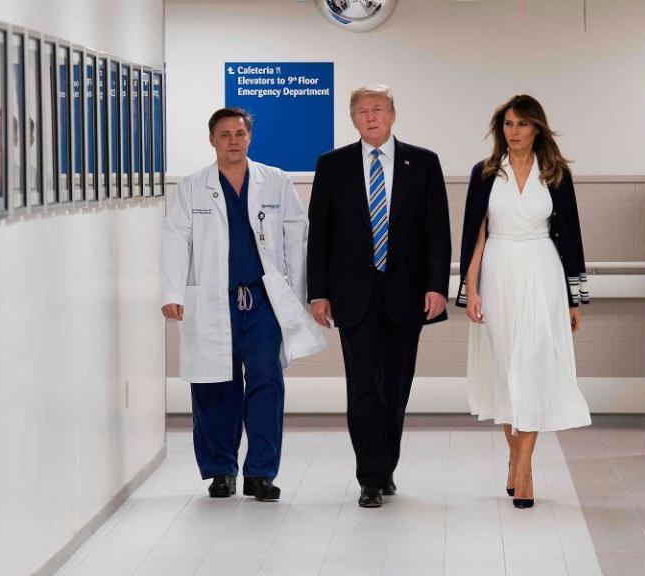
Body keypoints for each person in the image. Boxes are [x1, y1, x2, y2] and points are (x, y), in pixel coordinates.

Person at [161, 108, 326, 501]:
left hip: (264, 301)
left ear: (249, 137)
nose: (233, 140)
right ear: (212, 140)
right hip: (212, 300)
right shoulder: (191, 186)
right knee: (214, 385)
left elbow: (296, 239)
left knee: (266, 383)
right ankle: (221, 471)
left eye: (239, 133)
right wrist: (172, 293)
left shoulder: (276, 182)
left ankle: (260, 473)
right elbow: (174, 238)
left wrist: (300, 295)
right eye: (225, 134)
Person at [307, 85, 451, 508]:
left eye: (378, 109)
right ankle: (370, 477)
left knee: (397, 386)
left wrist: (437, 286)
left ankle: (386, 465)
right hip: (353, 296)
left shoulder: (423, 163)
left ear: (393, 114)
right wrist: (318, 293)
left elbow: (437, 231)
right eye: (362, 111)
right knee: (365, 387)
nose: (371, 117)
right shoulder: (332, 165)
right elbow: (320, 235)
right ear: (352, 119)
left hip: (407, 294)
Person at [457, 94, 592, 509]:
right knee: (504, 371)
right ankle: (518, 458)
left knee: (532, 366)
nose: (513, 132)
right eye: (508, 125)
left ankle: (525, 468)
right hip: (497, 270)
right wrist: (471, 288)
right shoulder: (484, 174)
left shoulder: (556, 174)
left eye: (521, 124)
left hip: (542, 272)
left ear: (537, 128)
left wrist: (573, 298)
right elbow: (475, 233)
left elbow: (569, 234)